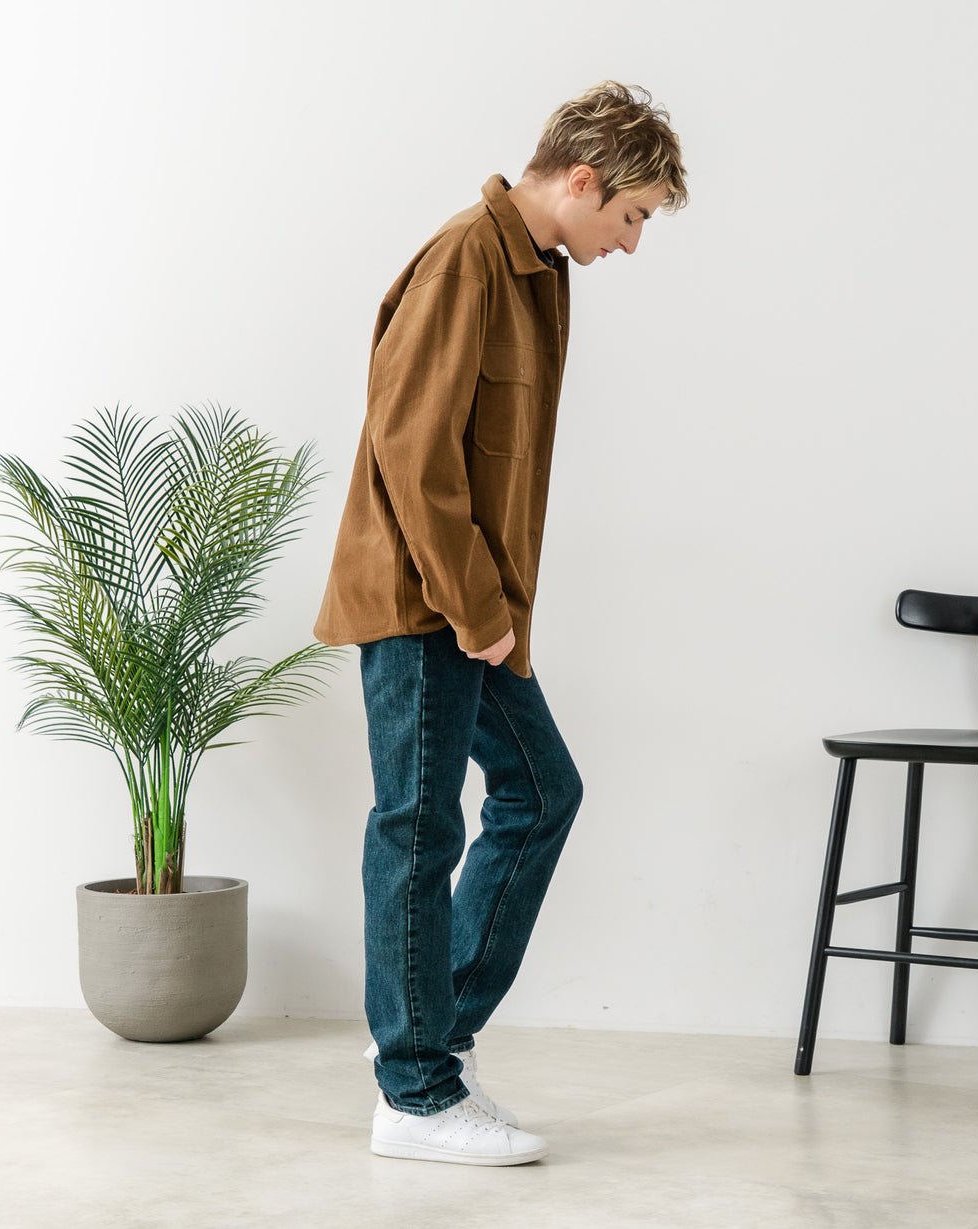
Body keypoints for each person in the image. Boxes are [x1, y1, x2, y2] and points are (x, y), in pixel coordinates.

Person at [314, 81, 687, 1166]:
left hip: (477, 608)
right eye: (632, 215)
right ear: (582, 179)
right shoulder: (464, 260)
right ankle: (415, 1094)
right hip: (428, 603)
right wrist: (478, 613)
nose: (631, 242)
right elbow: (412, 454)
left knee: (539, 791)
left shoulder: (533, 271)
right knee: (418, 827)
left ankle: (429, 1034)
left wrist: (497, 615)